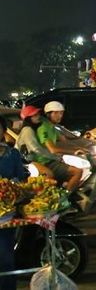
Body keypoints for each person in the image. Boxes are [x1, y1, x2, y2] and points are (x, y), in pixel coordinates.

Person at [0, 115, 29, 290]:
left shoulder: (13, 154)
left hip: (6, 214)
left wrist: (11, 185)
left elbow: (21, 178)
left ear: (4, 131)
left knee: (6, 258)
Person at [36, 101, 84, 192]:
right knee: (77, 172)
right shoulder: (43, 128)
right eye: (56, 113)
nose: (60, 116)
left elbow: (65, 140)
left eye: (61, 113)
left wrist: (82, 147)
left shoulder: (52, 127)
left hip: (53, 159)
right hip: (45, 161)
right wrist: (74, 151)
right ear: (49, 114)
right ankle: (65, 197)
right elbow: (52, 149)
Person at [15, 105, 55, 178]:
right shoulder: (28, 130)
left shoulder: (33, 129)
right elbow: (36, 149)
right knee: (48, 174)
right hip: (24, 162)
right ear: (28, 119)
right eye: (35, 115)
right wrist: (54, 157)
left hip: (28, 161)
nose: (38, 116)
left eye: (38, 114)